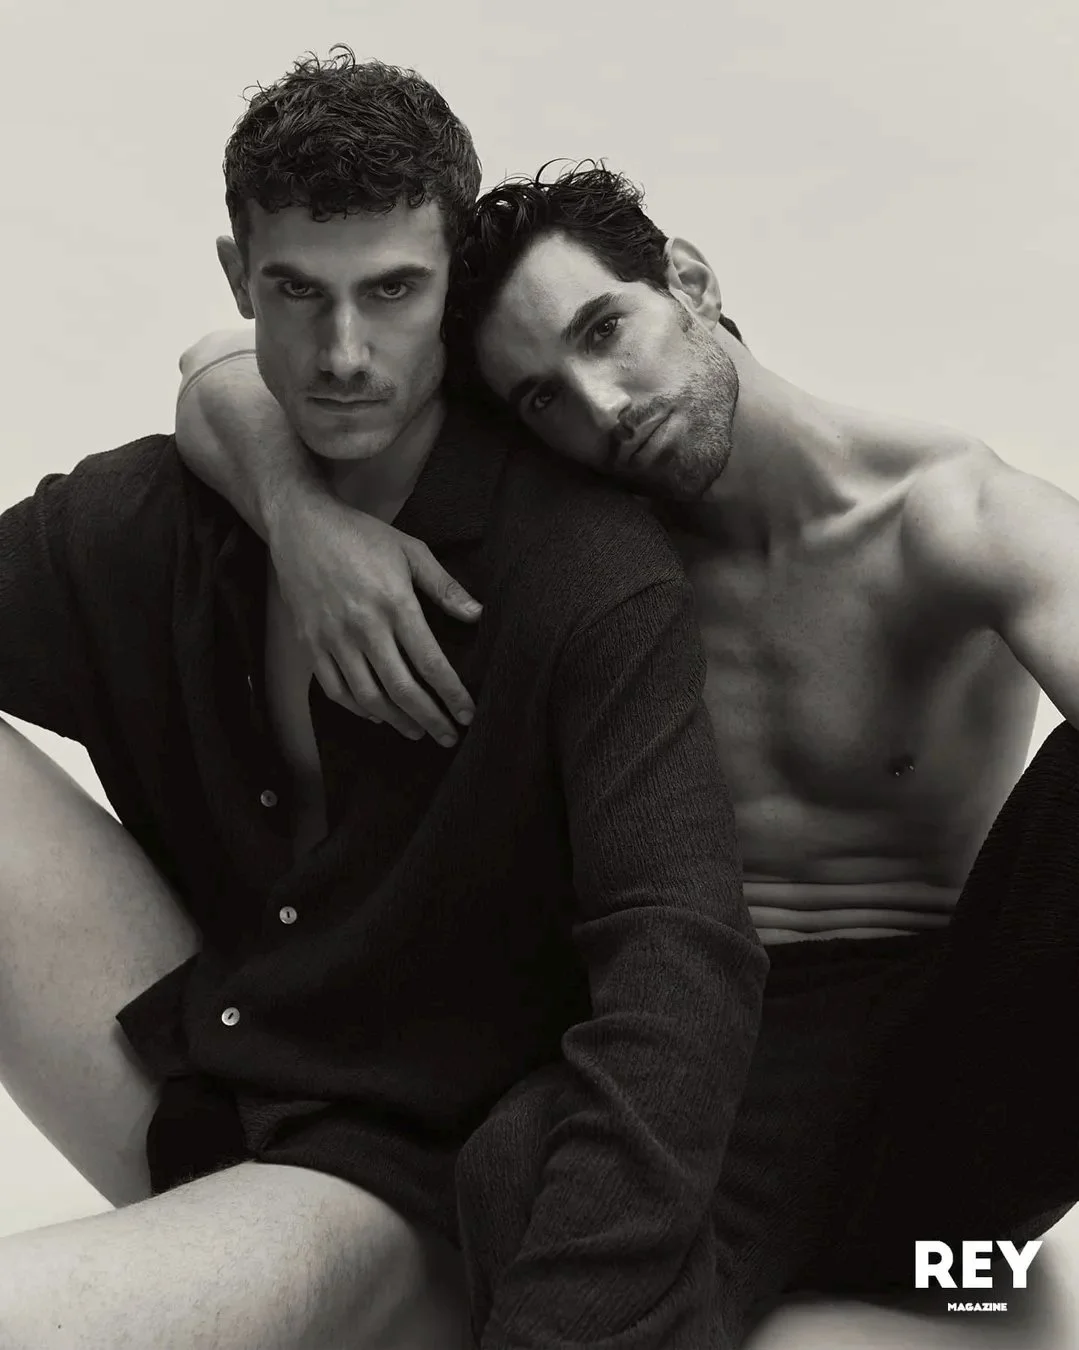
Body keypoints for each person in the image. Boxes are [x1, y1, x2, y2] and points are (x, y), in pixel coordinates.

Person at [178, 161, 1079, 1343]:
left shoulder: (952, 514)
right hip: (724, 1040)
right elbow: (215, 367)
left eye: (604, 330)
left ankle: (930, 1264)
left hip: (967, 1054)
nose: (600, 407)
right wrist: (303, 520)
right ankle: (870, 1280)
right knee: (516, 1169)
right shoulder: (594, 536)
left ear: (688, 283)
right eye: (542, 397)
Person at [0, 54, 770, 1349]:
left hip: (401, 1188)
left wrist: (566, 1317)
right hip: (207, 1074)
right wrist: (293, 512)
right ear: (238, 279)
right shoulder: (158, 519)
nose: (344, 354)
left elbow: (678, 966)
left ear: (453, 284)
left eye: (393, 291)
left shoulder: (581, 572)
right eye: (297, 292)